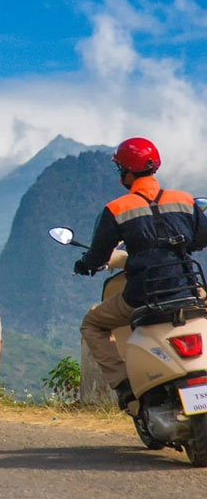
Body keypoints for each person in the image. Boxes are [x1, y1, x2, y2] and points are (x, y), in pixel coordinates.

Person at [76, 137, 207, 409]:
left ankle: (125, 385)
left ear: (127, 171)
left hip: (142, 295)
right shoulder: (184, 200)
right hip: (187, 289)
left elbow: (98, 255)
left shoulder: (117, 209)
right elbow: (201, 238)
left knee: (92, 324)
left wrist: (84, 265)